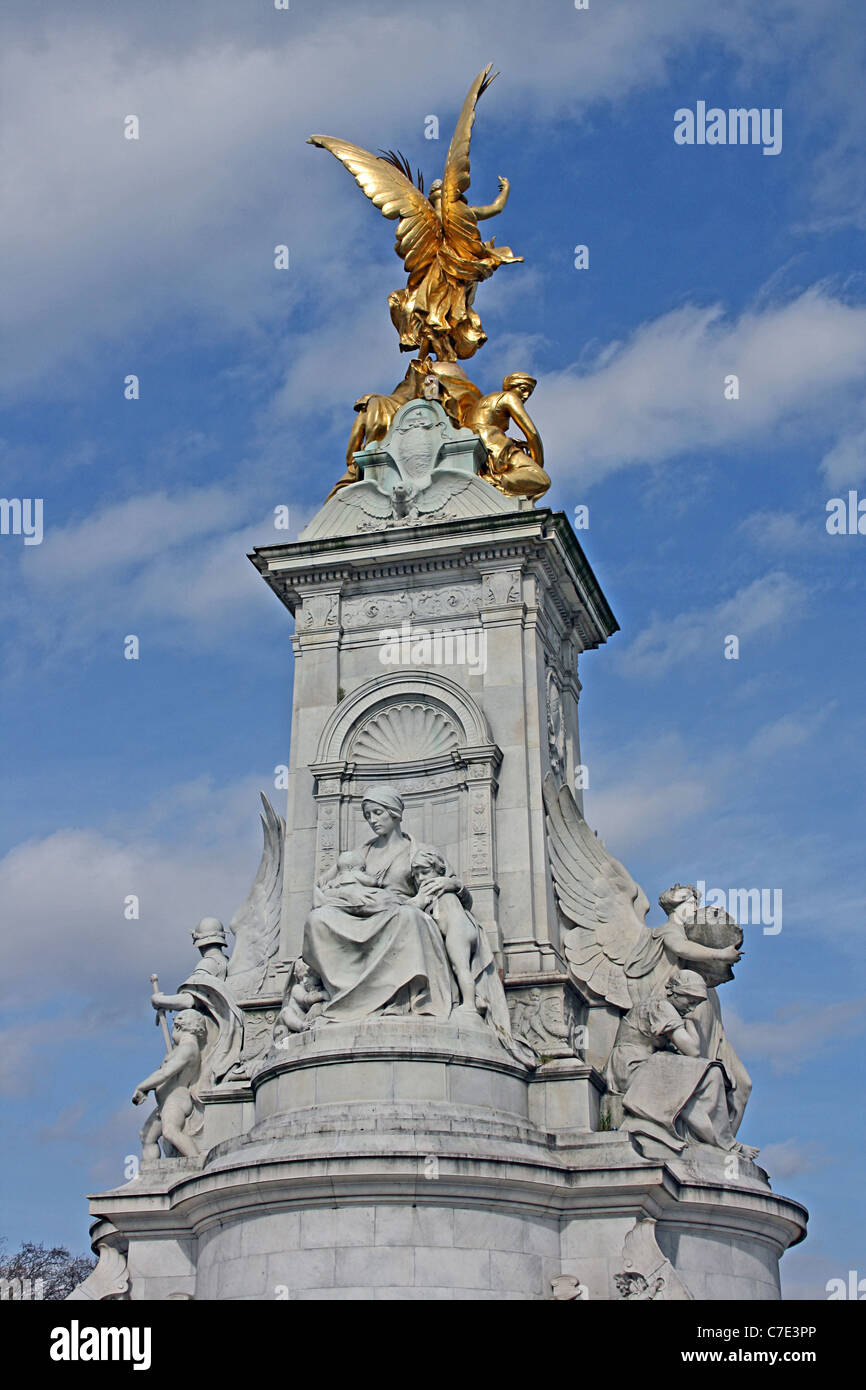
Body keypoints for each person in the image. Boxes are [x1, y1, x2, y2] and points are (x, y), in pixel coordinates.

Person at [607, 970, 759, 1159]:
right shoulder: (660, 1006)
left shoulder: (667, 1010)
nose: (692, 1007)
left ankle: (719, 1140)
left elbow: (691, 1051)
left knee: (701, 1078)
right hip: (633, 1068)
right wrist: (690, 1024)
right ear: (674, 993)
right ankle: (725, 1143)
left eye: (696, 1003)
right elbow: (692, 1051)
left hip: (646, 1065)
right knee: (711, 1073)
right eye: (690, 1000)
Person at [461, 372, 550, 500]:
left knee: (531, 493)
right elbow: (531, 432)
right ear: (511, 387)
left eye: (529, 393)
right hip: (492, 443)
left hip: (478, 440)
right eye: (523, 390)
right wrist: (537, 463)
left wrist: (511, 442)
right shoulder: (509, 397)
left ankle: (499, 492)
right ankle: (491, 482)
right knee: (542, 480)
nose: (525, 396)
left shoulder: (485, 401)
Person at [133, 1010, 207, 1160]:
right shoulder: (179, 1049)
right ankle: (152, 1174)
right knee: (146, 1136)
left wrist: (142, 1087)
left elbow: (165, 1073)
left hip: (176, 1100)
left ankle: (197, 1162)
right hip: (166, 1102)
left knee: (170, 1131)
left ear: (179, 1026)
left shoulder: (187, 1048)